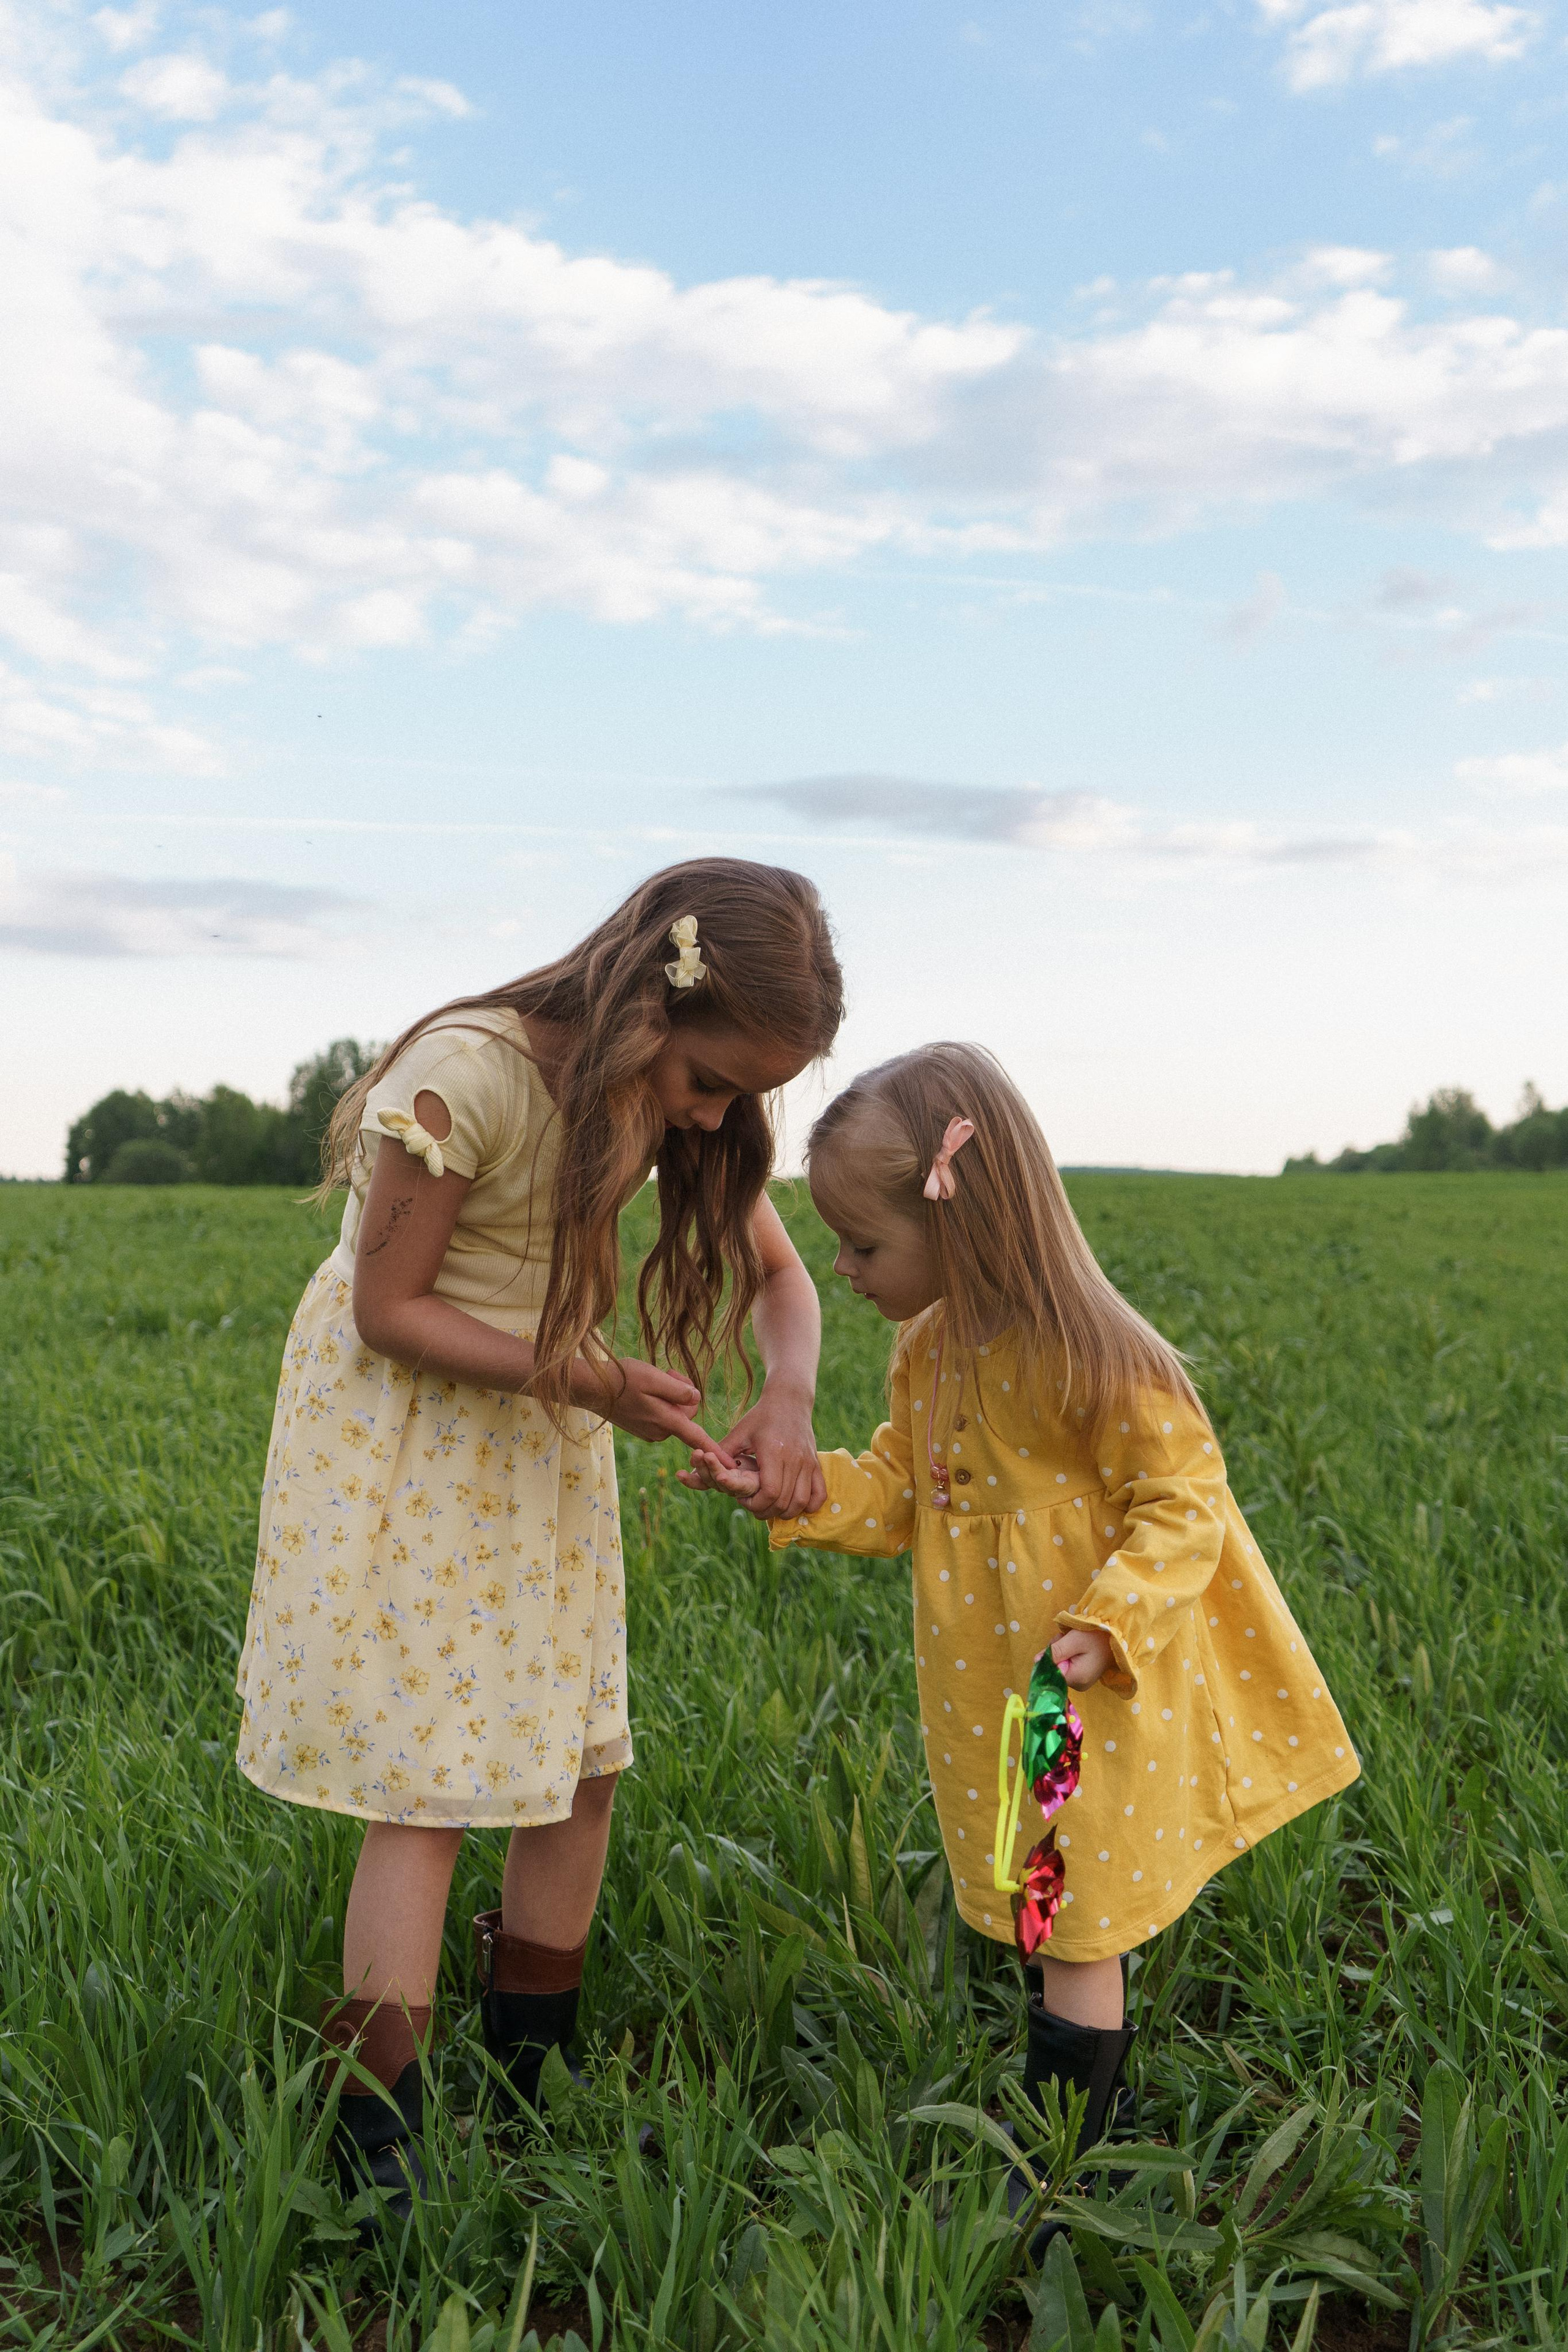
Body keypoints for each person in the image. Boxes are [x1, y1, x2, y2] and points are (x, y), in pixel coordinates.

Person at [235, 859, 842, 2220]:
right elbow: (387, 1310)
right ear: (647, 1002)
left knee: (575, 1760)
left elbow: (782, 1279)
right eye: (708, 1082)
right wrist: (592, 1381)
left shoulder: (671, 1099)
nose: (716, 1116)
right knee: (433, 1788)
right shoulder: (470, 1077)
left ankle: (532, 2078)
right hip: (408, 1434)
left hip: (542, 1425)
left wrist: (787, 1400)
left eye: (745, 1095)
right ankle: (376, 2134)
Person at [684, 1041, 1359, 2178]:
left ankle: (1063, 2162)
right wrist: (797, 1488)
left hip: (1082, 1681)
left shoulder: (1096, 1356)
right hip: (989, 1682)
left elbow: (1186, 1501)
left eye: (864, 1243)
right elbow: (903, 1488)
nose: (839, 1268)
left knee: (1075, 1903)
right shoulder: (931, 1347)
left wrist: (1110, 1620)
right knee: (1036, 1884)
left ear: (960, 1221)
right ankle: (1072, 2092)